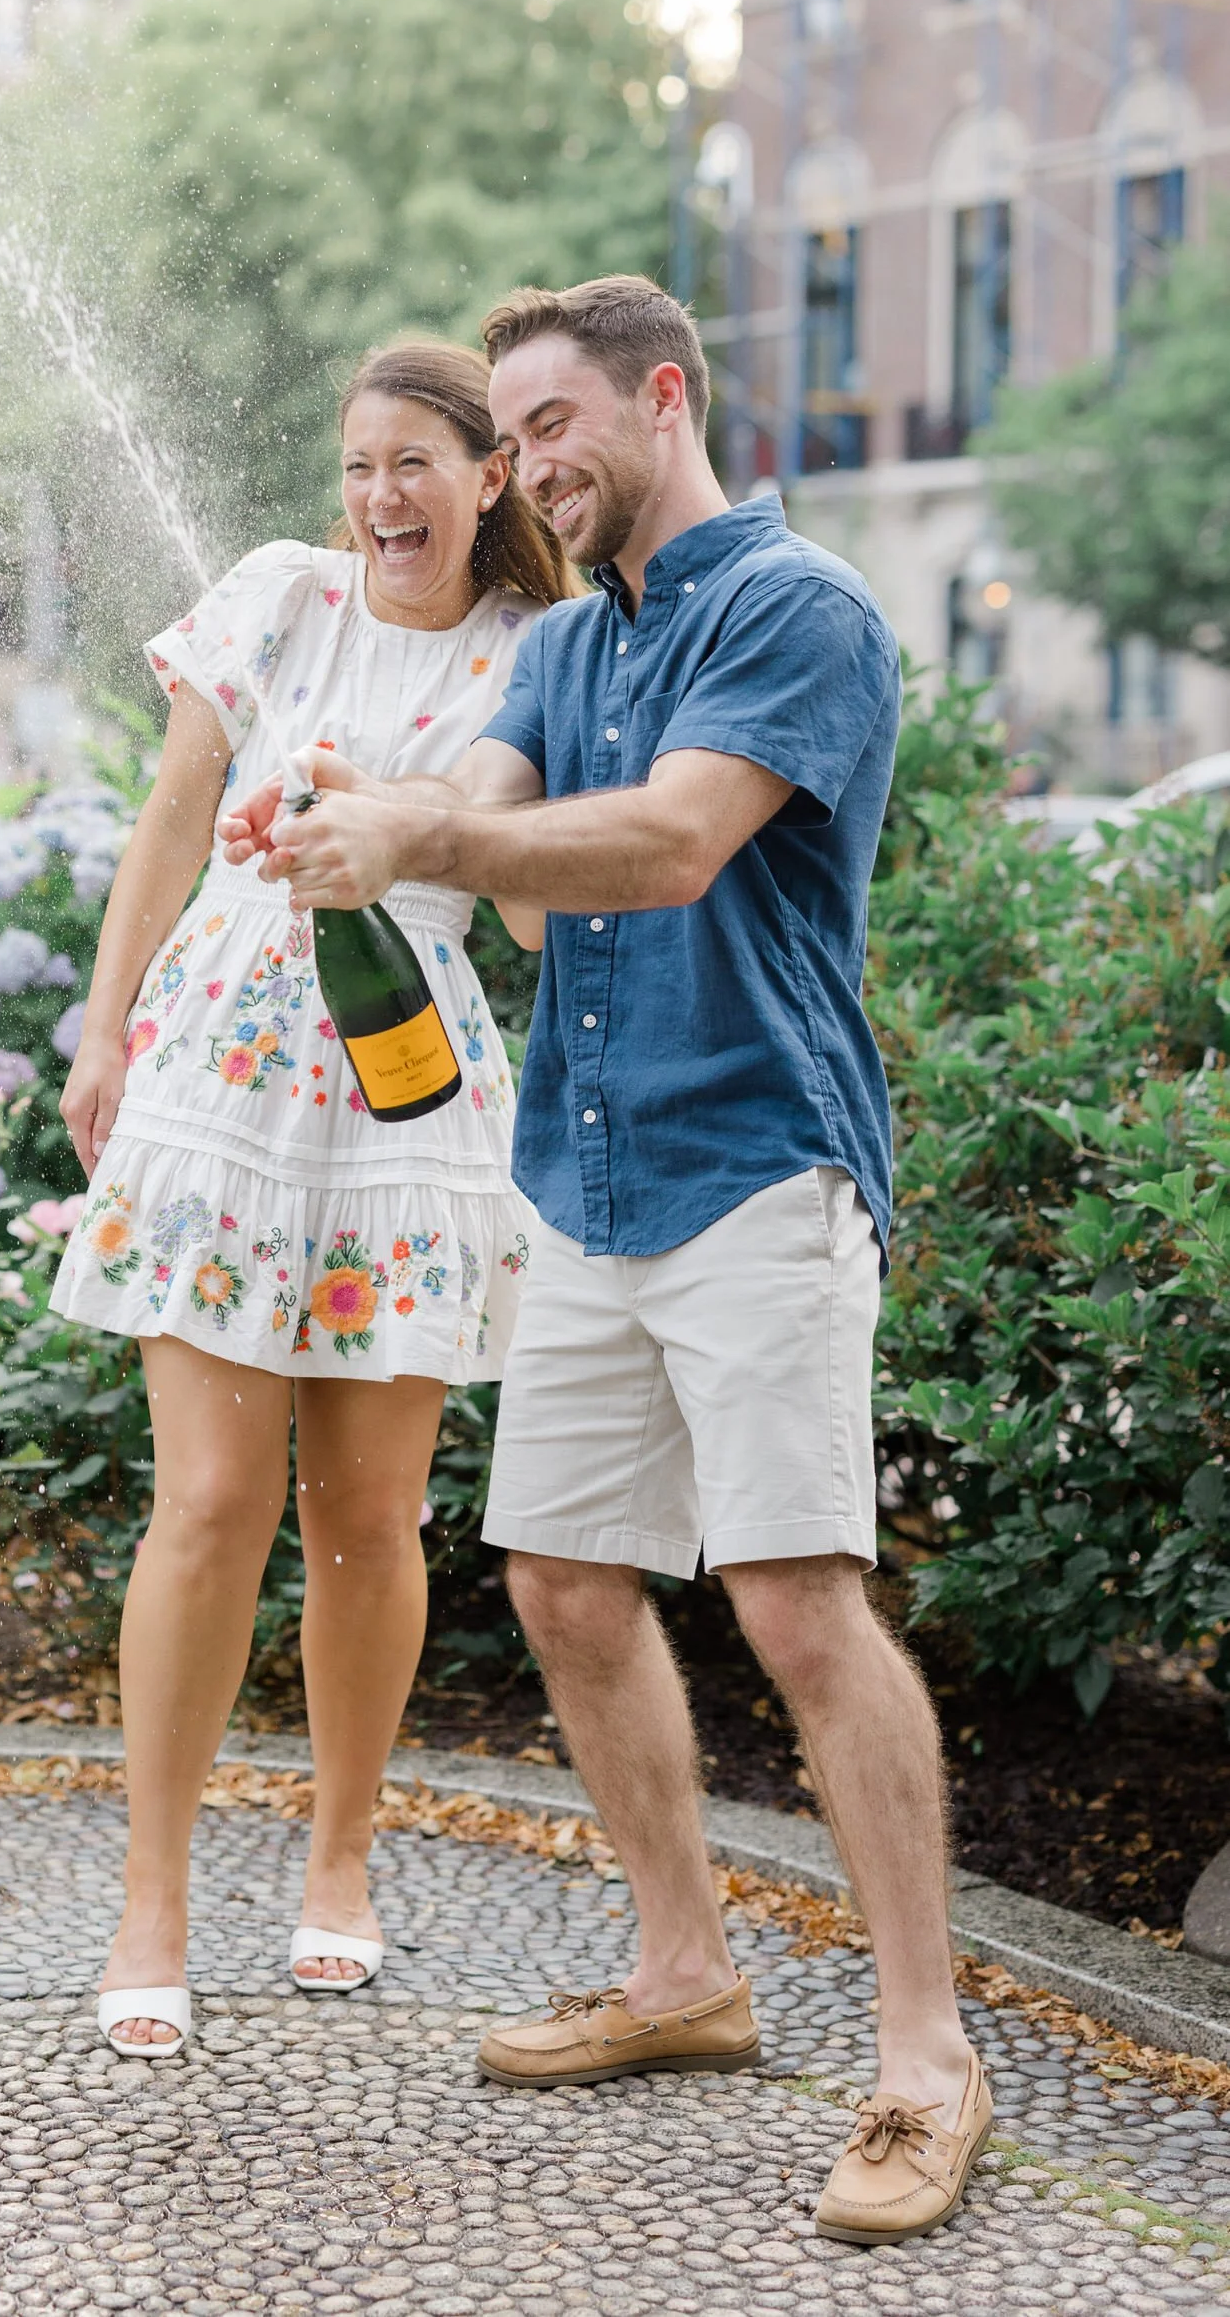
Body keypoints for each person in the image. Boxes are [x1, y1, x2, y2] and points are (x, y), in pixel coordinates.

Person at [223, 276, 987, 2247]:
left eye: (556, 425)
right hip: (579, 1170)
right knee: (562, 1578)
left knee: (798, 1603)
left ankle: (923, 2061)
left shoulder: (790, 613)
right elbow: (476, 799)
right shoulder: (569, 649)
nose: (530, 468)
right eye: (514, 438)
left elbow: (657, 844)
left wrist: (417, 846)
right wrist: (361, 820)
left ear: (661, 398)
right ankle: (680, 1975)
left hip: (757, 1164)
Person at [52, 339, 578, 2061]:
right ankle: (154, 1894)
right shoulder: (277, 600)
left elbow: (526, 922)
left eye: (412, 464)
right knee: (208, 1501)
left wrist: (416, 828)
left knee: (369, 1517)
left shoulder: (537, 653)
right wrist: (104, 1025)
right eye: (356, 465)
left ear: (487, 474)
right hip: (218, 1064)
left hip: (407, 1088)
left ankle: (341, 1864)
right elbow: (172, 812)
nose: (377, 499)